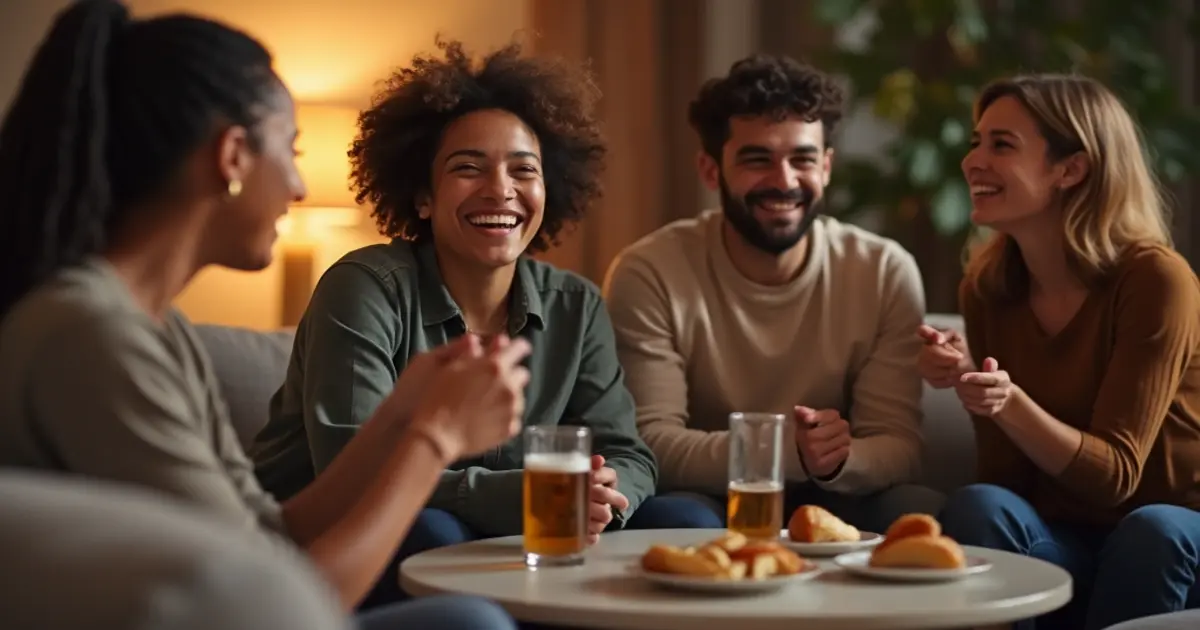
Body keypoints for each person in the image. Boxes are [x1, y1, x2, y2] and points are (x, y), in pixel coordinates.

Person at [0, 2, 524, 628]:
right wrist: (434, 438)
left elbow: (268, 531)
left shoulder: (160, 330)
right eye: (291, 149)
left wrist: (404, 410)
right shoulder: (90, 336)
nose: (301, 187)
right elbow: (273, 603)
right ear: (232, 157)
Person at [250, 38, 714, 603]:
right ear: (422, 195)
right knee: (433, 534)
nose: (501, 190)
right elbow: (353, 473)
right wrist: (531, 497)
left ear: (550, 189)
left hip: (522, 530)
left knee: (685, 517)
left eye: (525, 170)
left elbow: (629, 451)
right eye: (469, 168)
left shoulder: (577, 303)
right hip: (335, 541)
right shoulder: (365, 288)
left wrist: (605, 495)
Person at [602, 53, 944, 535]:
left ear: (826, 167)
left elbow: (899, 447)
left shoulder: (883, 270)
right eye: (757, 159)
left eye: (802, 159)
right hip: (709, 496)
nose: (783, 181)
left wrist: (835, 457)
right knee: (673, 516)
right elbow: (651, 443)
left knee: (919, 509)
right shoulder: (650, 270)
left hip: (835, 491)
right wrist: (783, 451)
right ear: (709, 169)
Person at [920, 74, 1200, 630]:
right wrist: (974, 385)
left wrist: (1008, 402)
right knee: (979, 504)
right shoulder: (989, 284)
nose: (973, 161)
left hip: (1173, 536)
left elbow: (1115, 474)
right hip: (1064, 540)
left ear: (1071, 169)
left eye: (1002, 145)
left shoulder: (1155, 280)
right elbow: (1004, 479)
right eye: (977, 142)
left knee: (1153, 531)